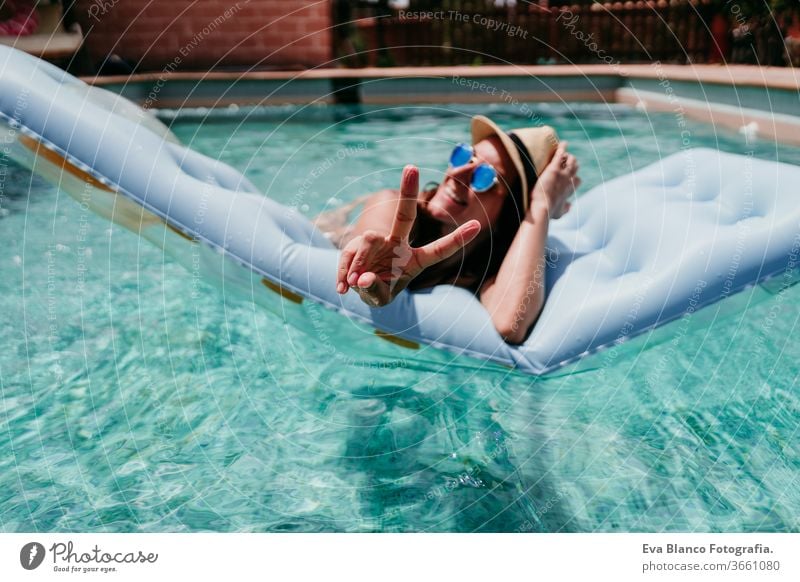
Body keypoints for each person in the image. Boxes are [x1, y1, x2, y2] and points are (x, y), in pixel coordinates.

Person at [313, 115, 581, 344]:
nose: (457, 174)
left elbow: (510, 323)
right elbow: (372, 242)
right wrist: (374, 271)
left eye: (485, 177)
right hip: (333, 230)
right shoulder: (392, 208)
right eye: (464, 155)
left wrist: (540, 207)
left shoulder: (491, 264)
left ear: (509, 212)